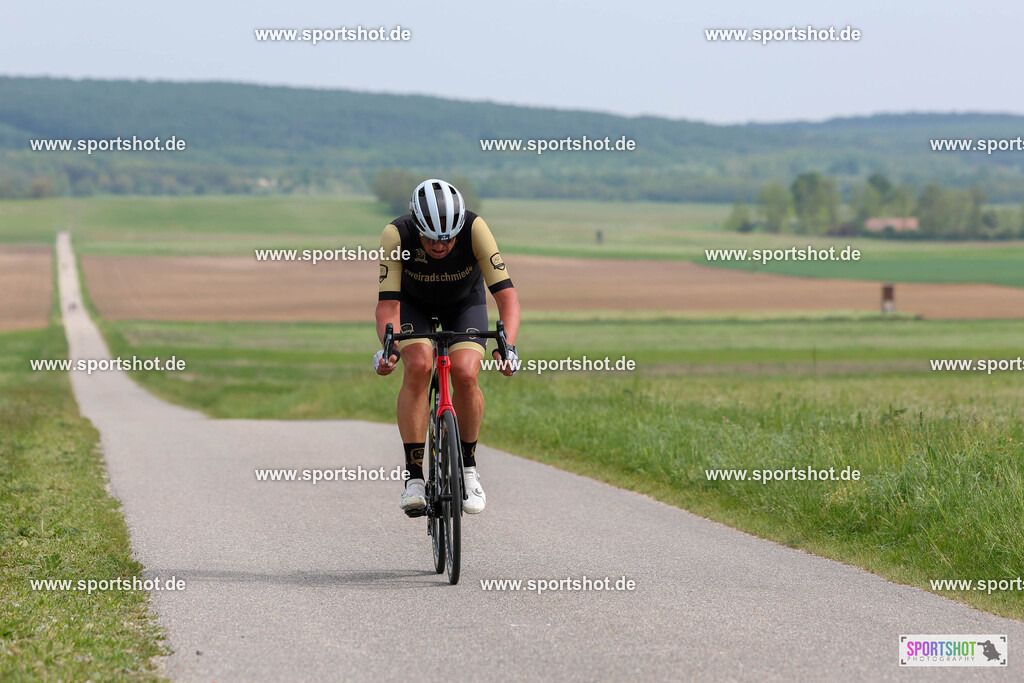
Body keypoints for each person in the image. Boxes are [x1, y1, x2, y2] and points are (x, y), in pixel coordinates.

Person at [372, 178, 520, 514]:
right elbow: (387, 305)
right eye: (431, 239)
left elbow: (507, 297)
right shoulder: (397, 236)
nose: (440, 246)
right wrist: (389, 347)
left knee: (466, 372)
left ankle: (468, 469)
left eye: (448, 239)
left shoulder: (475, 228)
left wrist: (507, 346)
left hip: (463, 303)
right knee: (419, 365)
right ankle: (413, 477)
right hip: (414, 306)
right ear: (417, 227)